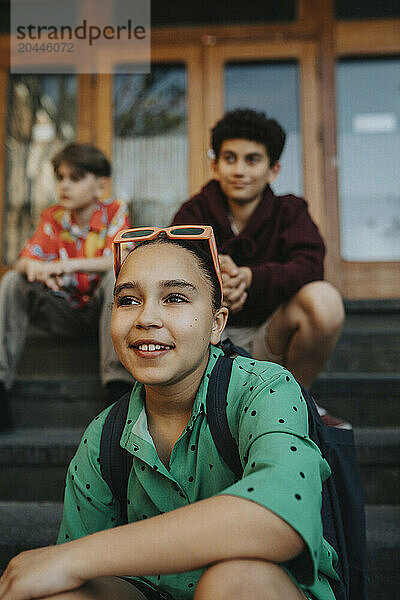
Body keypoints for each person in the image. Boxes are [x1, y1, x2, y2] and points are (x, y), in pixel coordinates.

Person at [0, 226, 340, 600]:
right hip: (150, 590)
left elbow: (281, 516)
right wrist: (64, 568)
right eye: (128, 300)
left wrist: (69, 559)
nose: (146, 317)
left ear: (216, 324)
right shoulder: (104, 437)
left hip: (266, 586)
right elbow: (70, 575)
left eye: (175, 297)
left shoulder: (264, 388)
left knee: (234, 583)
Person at [171, 108, 347, 428]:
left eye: (252, 160)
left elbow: (309, 266)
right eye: (230, 158)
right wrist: (219, 284)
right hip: (205, 342)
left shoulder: (290, 211)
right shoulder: (192, 212)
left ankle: (294, 399)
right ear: (215, 164)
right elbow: (171, 269)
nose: (239, 170)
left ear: (273, 169)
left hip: (268, 338)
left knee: (324, 299)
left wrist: (251, 277)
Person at [0, 142, 132, 430]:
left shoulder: (115, 212)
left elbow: (119, 258)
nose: (65, 185)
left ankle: (118, 389)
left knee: (118, 276)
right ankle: (0, 383)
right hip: (63, 311)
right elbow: (25, 259)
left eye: (75, 178)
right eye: (60, 177)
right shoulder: (54, 217)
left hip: (103, 312)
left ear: (100, 185)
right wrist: (34, 267)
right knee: (13, 280)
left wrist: (65, 265)